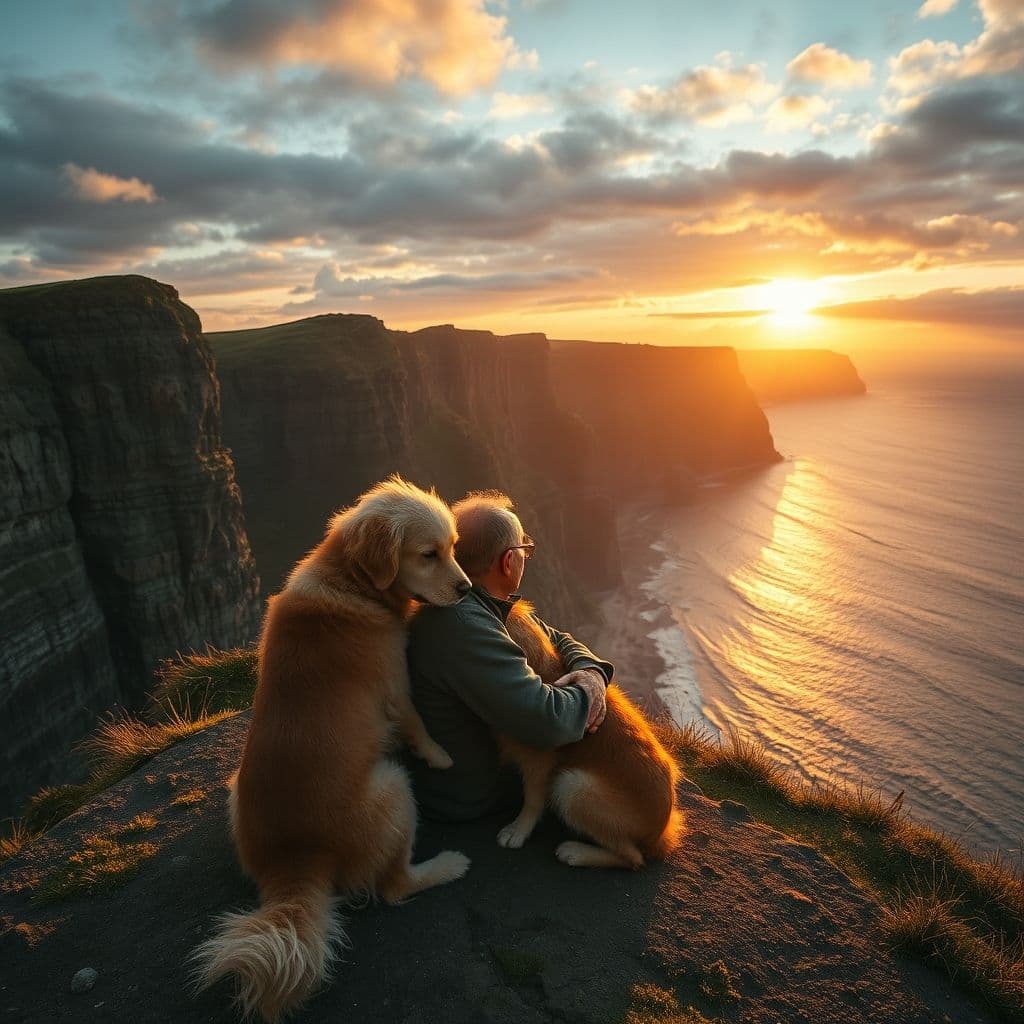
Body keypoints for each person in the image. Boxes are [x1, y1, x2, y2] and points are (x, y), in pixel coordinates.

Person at [407, 490, 613, 822]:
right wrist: (590, 697)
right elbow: (546, 721)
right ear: (508, 560)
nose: (526, 557)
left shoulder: (479, 602)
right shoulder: (463, 625)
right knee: (591, 778)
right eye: (525, 550)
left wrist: (592, 672)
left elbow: (555, 636)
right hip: (472, 797)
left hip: (484, 774)